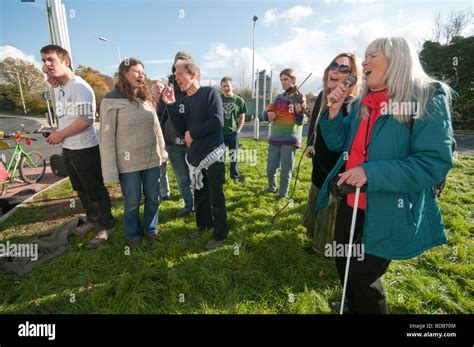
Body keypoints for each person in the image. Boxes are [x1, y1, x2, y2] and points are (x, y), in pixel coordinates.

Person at [317, 37, 454, 314]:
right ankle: (349, 304)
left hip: (388, 207)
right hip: (350, 202)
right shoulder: (361, 103)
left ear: (397, 59)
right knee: (343, 262)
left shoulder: (427, 97)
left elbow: (432, 163)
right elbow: (338, 143)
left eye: (373, 56)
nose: (364, 62)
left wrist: (370, 172)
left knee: (364, 278)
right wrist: (332, 112)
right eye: (365, 56)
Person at [40, 44, 115, 249]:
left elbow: (85, 119)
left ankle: (107, 225)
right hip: (69, 149)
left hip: (85, 150)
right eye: (43, 61)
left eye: (50, 60)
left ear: (66, 61)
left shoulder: (80, 86)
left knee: (95, 190)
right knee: (80, 189)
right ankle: (92, 220)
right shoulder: (62, 87)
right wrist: (58, 132)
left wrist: (60, 134)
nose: (46, 65)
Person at [100, 58, 168, 248]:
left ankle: (151, 229)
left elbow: (157, 127)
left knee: (154, 197)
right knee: (132, 201)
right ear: (124, 74)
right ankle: (133, 234)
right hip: (128, 163)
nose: (141, 75)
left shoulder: (147, 99)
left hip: (151, 159)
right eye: (136, 72)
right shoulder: (111, 99)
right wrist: (109, 168)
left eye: (143, 73)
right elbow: (106, 136)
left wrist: (162, 153)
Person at [162, 59, 228, 251]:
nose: (176, 78)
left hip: (214, 154)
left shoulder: (210, 93)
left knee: (216, 196)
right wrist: (172, 105)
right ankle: (203, 226)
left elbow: (217, 121)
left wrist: (194, 133)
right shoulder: (183, 100)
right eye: (175, 75)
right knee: (199, 195)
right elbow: (182, 128)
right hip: (196, 157)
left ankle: (220, 234)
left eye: (179, 74)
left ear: (192, 74)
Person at [302, 53, 362, 254]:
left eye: (344, 68)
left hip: (336, 166)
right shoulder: (322, 96)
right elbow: (315, 123)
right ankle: (314, 235)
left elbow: (341, 143)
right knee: (317, 192)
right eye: (333, 65)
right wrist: (310, 143)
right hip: (319, 157)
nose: (335, 70)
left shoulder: (354, 105)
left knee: (330, 204)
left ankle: (325, 245)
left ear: (353, 77)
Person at [262, 68, 307, 198]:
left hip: (290, 139)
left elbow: (301, 121)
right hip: (275, 138)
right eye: (281, 80)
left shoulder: (300, 97)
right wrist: (267, 114)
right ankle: (272, 188)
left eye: (286, 79)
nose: (283, 82)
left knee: (285, 171)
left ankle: (282, 195)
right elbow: (266, 112)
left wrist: (299, 112)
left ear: (293, 80)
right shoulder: (278, 98)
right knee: (270, 168)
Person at [220, 76, 247, 184]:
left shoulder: (239, 100)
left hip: (233, 133)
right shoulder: (218, 99)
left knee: (233, 156)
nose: (226, 88)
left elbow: (242, 117)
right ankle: (221, 178)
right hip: (220, 133)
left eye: (228, 86)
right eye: (224, 86)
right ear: (221, 88)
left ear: (232, 86)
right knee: (220, 158)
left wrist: (238, 131)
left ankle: (235, 177)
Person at [151, 79, 171, 201]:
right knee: (159, 169)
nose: (159, 89)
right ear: (151, 90)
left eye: (161, 87)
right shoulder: (147, 104)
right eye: (156, 87)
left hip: (170, 139)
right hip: (156, 141)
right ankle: (161, 193)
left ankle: (168, 193)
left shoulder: (169, 102)